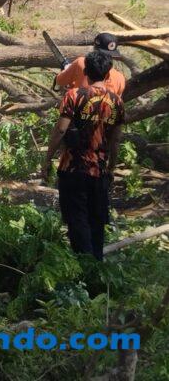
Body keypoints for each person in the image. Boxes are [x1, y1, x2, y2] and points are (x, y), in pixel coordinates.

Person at [42, 50, 125, 261]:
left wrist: (47, 158)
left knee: (76, 220)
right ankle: (95, 264)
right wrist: (111, 167)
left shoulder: (74, 95)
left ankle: (85, 267)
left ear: (85, 71)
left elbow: (61, 130)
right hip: (100, 171)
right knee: (96, 222)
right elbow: (115, 140)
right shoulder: (117, 102)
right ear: (108, 74)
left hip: (73, 169)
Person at [55, 33, 126, 96]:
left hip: (79, 106)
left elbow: (60, 81)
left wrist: (66, 69)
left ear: (95, 48)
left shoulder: (81, 62)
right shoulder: (120, 78)